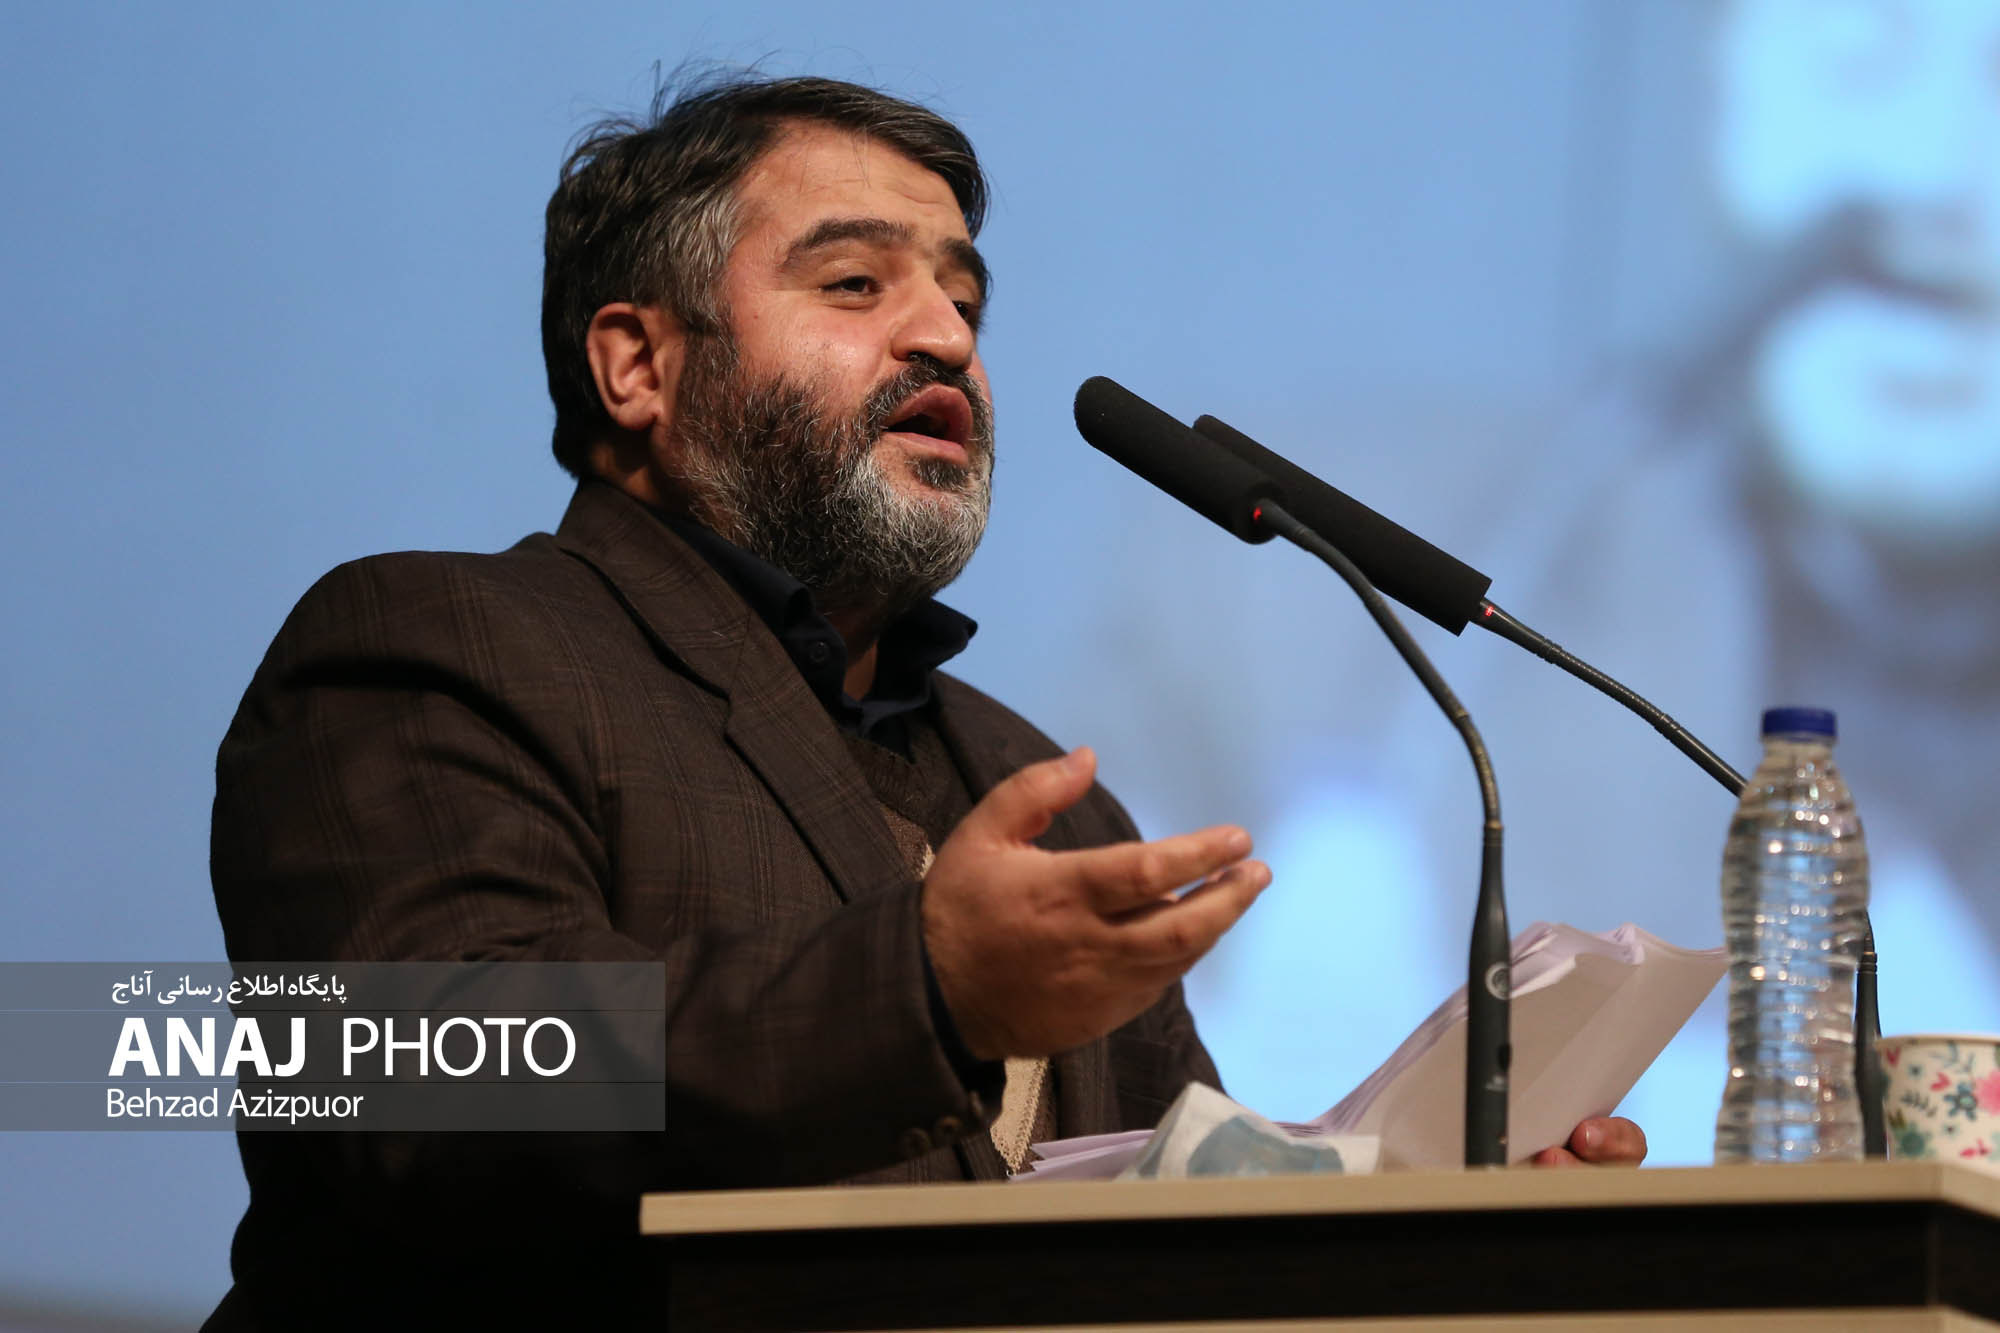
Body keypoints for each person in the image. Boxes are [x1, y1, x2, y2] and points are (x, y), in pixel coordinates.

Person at [204, 73, 1642, 1327]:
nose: (947, 337)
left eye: (964, 296)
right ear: (637, 364)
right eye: (854, 284)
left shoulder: (1040, 790)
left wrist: (1428, 1216)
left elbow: (1173, 1241)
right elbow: (419, 1091)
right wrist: (924, 990)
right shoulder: (436, 647)